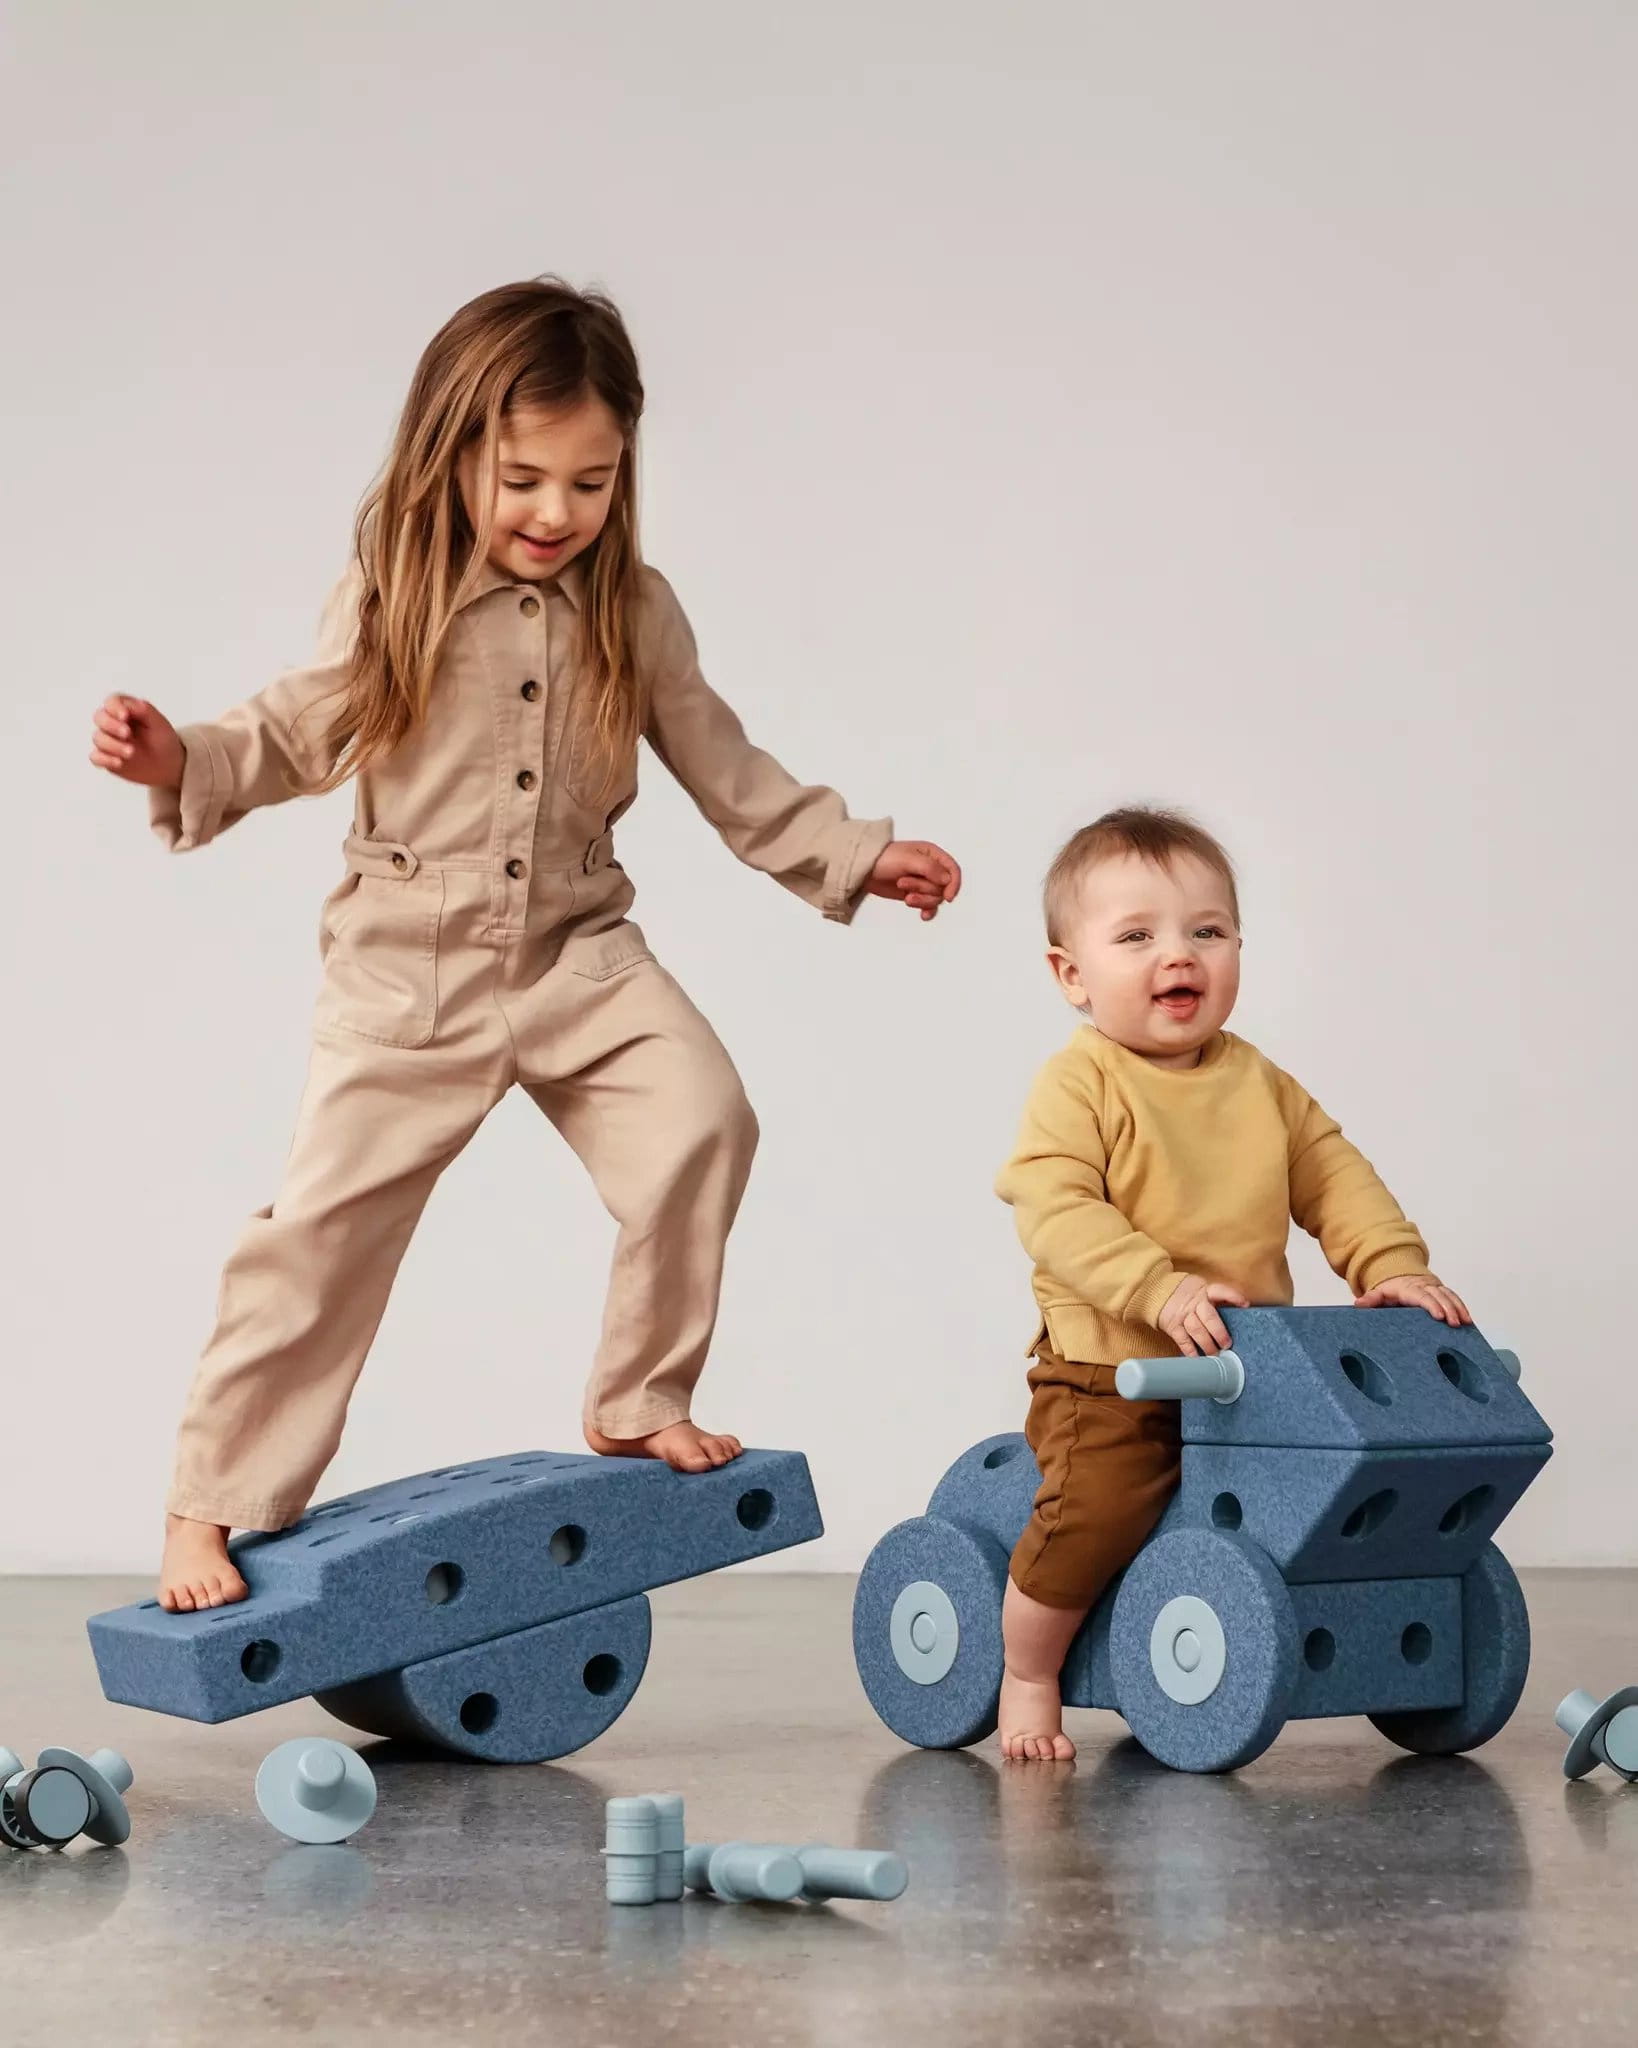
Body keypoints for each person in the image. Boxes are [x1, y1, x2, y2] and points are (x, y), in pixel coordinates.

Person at [89, 278, 961, 1613]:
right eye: (522, 479)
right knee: (319, 1239)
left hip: (577, 951)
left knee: (703, 1120)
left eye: (590, 483)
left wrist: (848, 853)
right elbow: (293, 730)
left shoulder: (636, 610)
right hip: (410, 968)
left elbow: (726, 763)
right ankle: (208, 1502)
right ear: (452, 456)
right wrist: (180, 758)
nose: (557, 512)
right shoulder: (398, 594)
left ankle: (637, 1397)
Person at [993, 806, 1466, 1761]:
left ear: (1239, 947)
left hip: (1249, 1372)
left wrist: (1392, 1266)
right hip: (1116, 1370)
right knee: (1098, 1510)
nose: (1179, 955)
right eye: (1137, 937)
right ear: (1072, 975)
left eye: (1206, 931)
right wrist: (1156, 1287)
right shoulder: (1081, 1083)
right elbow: (1054, 1206)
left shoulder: (1263, 1085)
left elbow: (1335, 1177)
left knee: (1324, 1495)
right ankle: (1028, 1670)